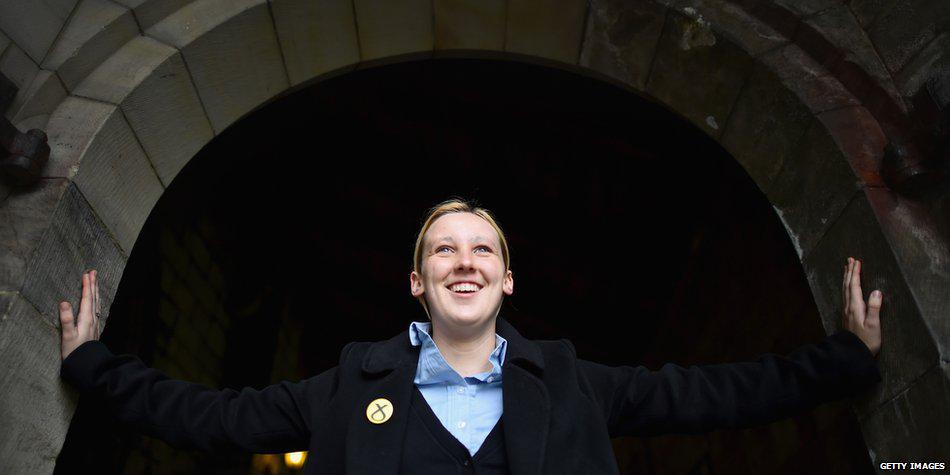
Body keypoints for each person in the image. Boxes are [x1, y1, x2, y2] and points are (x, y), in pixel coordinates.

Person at [60, 198, 883, 474]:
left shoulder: (571, 381)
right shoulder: (348, 386)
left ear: (507, 279)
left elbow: (714, 394)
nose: (465, 261)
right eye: (443, 250)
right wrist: (92, 363)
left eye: (483, 248)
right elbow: (215, 418)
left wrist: (844, 358)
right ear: (417, 282)